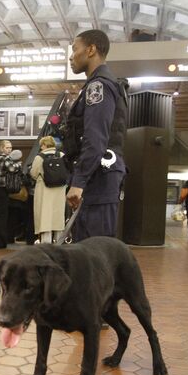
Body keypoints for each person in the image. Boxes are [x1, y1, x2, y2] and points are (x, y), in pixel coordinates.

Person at [64, 29, 128, 242]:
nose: (71, 56)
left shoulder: (98, 86)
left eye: (75, 49)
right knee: (91, 255)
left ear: (91, 50)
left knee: (93, 256)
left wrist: (79, 181)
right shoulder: (101, 84)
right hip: (99, 177)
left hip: (97, 180)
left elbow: (95, 138)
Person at [30, 136, 66, 244]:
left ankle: (46, 244)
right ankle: (59, 242)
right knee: (58, 217)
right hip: (60, 189)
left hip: (44, 189)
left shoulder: (39, 157)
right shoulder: (62, 155)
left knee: (45, 217)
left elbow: (34, 173)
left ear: (44, 145)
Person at [0, 140, 21, 248]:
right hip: (2, 189)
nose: (9, 150)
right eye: (7, 147)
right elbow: (12, 168)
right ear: (1, 148)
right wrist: (18, 164)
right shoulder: (4, 157)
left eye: (10, 148)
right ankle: (0, 243)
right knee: (2, 216)